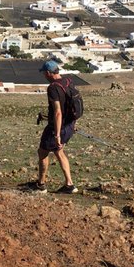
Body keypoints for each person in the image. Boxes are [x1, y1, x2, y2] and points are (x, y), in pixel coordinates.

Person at [33, 60, 78, 194]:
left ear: (48, 73)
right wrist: (72, 125)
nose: (44, 76)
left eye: (44, 73)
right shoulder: (68, 82)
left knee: (42, 152)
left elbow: (58, 111)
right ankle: (69, 185)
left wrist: (57, 134)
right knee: (59, 152)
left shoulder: (53, 88)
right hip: (68, 125)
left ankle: (41, 185)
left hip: (57, 128)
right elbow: (72, 106)